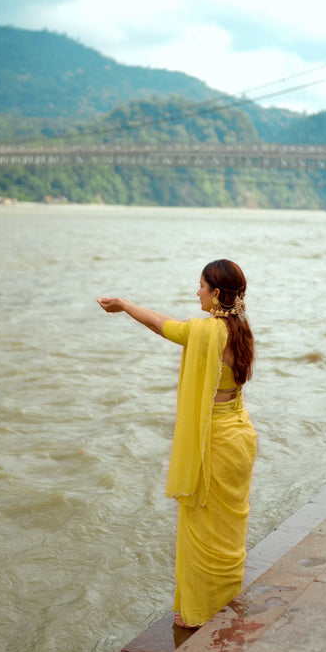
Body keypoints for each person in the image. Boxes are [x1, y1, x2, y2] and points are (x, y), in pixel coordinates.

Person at [97, 259, 257, 629]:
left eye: (201, 286)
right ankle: (223, 599)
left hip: (214, 442)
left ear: (216, 293)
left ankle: (198, 613)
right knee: (227, 529)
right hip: (239, 435)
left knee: (201, 529)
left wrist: (123, 305)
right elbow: (170, 323)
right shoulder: (240, 330)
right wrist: (125, 303)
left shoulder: (208, 332)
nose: (196, 291)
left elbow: (161, 325)